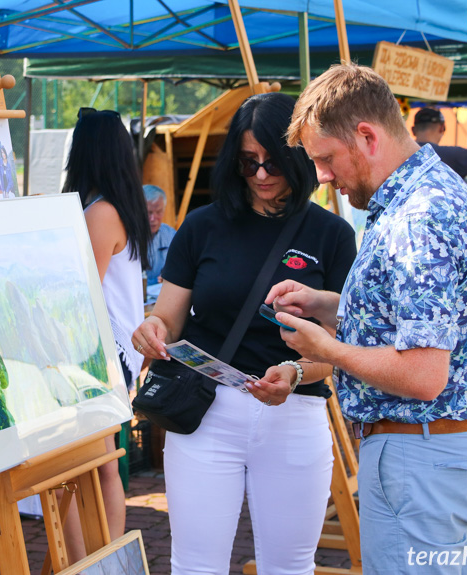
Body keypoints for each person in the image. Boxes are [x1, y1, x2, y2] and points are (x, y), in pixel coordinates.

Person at [269, 64, 467, 574]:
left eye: (326, 159)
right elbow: (416, 316)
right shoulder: (425, 194)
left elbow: (422, 374)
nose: (322, 177)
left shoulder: (418, 217)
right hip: (431, 452)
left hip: (418, 454)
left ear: (367, 137)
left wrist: (326, 350)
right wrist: (327, 303)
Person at [132, 92, 356, 575]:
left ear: (299, 156)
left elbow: (338, 347)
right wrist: (152, 327)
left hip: (295, 413)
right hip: (205, 412)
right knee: (195, 564)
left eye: (272, 162)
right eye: (247, 162)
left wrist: (295, 373)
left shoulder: (332, 235)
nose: (259, 175)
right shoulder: (202, 226)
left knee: (290, 565)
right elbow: (168, 318)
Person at [61, 108, 151, 560]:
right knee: (101, 466)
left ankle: (90, 563)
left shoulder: (100, 212)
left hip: (98, 354)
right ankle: (104, 560)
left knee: (90, 468)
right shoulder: (121, 207)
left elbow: (83, 293)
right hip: (115, 354)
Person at [143, 184, 176, 287]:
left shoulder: (171, 235)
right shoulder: (126, 237)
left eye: (159, 212)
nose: (153, 218)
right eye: (149, 212)